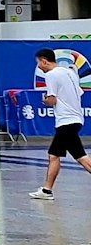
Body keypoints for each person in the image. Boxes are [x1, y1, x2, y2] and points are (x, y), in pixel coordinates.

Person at [32, 50, 91, 199]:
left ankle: (47, 191)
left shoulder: (51, 75)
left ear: (44, 60)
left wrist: (45, 100)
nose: (39, 67)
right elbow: (79, 93)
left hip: (66, 121)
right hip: (76, 119)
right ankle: (47, 190)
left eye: (39, 62)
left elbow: (52, 99)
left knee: (78, 156)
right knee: (58, 155)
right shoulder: (70, 73)